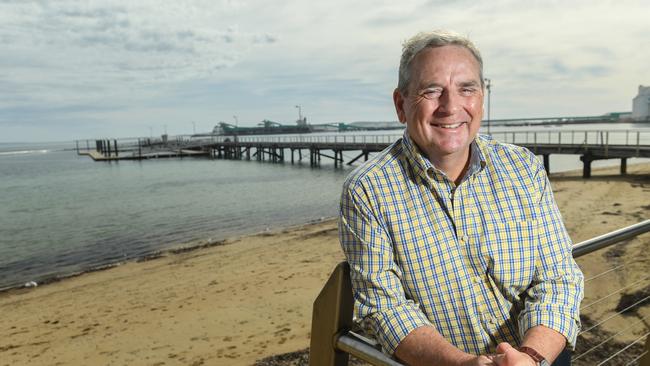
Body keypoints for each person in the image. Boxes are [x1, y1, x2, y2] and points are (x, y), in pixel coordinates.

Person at [338, 30, 584, 366]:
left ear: (481, 97)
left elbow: (558, 278)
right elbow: (384, 306)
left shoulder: (522, 167)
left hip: (540, 357)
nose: (450, 107)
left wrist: (530, 355)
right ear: (401, 104)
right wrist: (462, 363)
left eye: (466, 88)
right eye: (431, 91)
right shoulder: (368, 190)